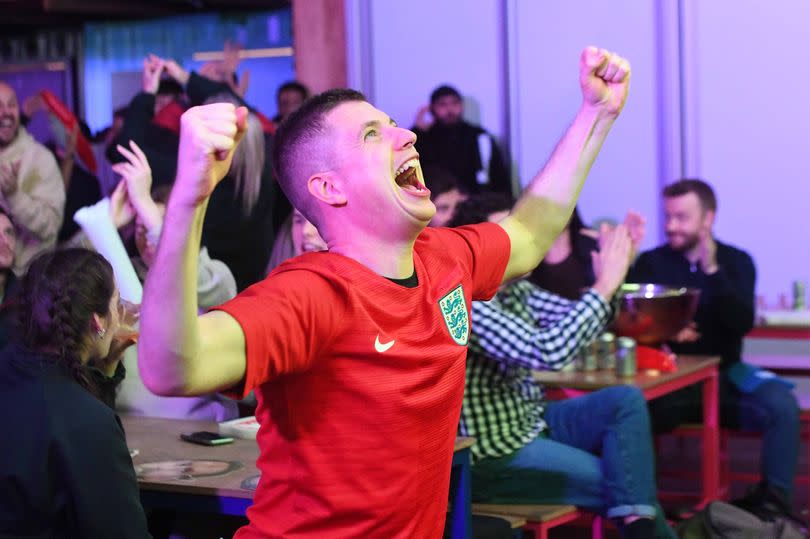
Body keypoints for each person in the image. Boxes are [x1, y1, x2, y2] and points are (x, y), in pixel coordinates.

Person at [138, 46, 631, 538]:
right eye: (373, 134)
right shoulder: (311, 294)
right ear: (330, 189)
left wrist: (597, 113)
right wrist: (190, 197)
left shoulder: (443, 258)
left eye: (393, 123)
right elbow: (171, 367)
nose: (408, 135)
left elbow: (528, 235)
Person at [449, 194, 673, 539]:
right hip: (494, 457)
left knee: (624, 401)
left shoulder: (515, 290)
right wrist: (604, 286)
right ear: (479, 247)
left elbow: (582, 321)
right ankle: (640, 524)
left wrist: (614, 274)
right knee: (626, 481)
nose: (524, 243)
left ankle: (637, 518)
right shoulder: (467, 303)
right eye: (506, 236)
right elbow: (548, 351)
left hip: (531, 421)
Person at [628, 179, 801, 522]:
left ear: (707, 219)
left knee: (782, 405)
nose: (671, 226)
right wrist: (668, 330)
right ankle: (645, 509)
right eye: (668, 216)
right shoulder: (651, 264)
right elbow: (630, 323)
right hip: (669, 381)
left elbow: (741, 322)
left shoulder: (737, 262)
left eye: (681, 217)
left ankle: (774, 506)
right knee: (628, 411)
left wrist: (713, 272)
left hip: (726, 378)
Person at [0, 248, 150, 538]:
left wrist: (105, 374)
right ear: (99, 322)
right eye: (117, 305)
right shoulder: (85, 420)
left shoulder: (13, 369)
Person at [0, 82, 66, 275]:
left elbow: (50, 227)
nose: (5, 112)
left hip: (27, 283)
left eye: (11, 105)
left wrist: (14, 196)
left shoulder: (40, 158)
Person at [412, 84, 511, 195]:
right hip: (435, 205)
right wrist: (417, 130)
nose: (450, 110)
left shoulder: (478, 137)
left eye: (455, 103)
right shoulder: (423, 139)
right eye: (442, 104)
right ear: (432, 109)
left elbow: (499, 178)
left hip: (474, 205)